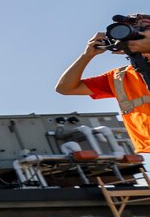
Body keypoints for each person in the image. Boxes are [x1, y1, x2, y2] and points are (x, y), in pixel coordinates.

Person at [55, 17, 150, 152]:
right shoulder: (119, 77)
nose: (136, 34)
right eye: (133, 29)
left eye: (144, 29)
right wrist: (87, 55)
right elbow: (65, 88)